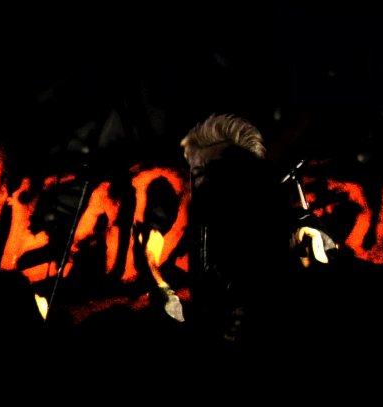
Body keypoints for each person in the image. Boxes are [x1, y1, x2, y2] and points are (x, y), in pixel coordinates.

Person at [140, 113, 337, 349]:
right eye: (198, 172)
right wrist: (161, 288)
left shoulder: (268, 213)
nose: (202, 181)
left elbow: (301, 229)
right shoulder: (182, 203)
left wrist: (312, 237)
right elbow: (150, 244)